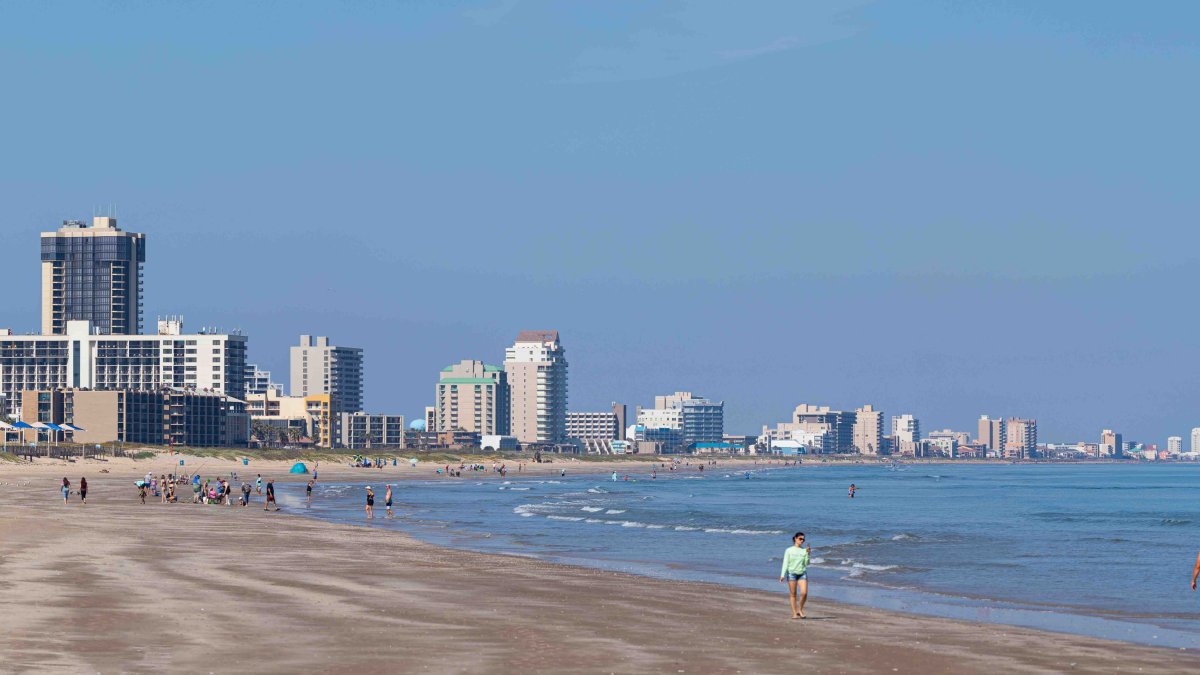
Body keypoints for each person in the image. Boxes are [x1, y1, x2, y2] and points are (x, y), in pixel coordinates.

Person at [779, 532, 811, 619]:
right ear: (795, 539)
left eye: (803, 539)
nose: (802, 540)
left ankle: (800, 610)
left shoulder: (804, 550)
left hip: (802, 574)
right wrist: (782, 575)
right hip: (791, 574)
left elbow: (806, 563)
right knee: (793, 594)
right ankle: (794, 613)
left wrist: (808, 554)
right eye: (800, 539)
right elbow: (785, 563)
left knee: (804, 593)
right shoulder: (789, 550)